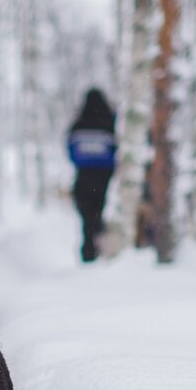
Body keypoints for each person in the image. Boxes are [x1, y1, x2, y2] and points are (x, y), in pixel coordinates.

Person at [66, 88, 118, 262]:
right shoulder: (110, 122)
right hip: (105, 181)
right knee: (100, 215)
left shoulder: (79, 124)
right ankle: (102, 249)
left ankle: (89, 250)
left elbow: (71, 151)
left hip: (83, 180)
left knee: (87, 219)